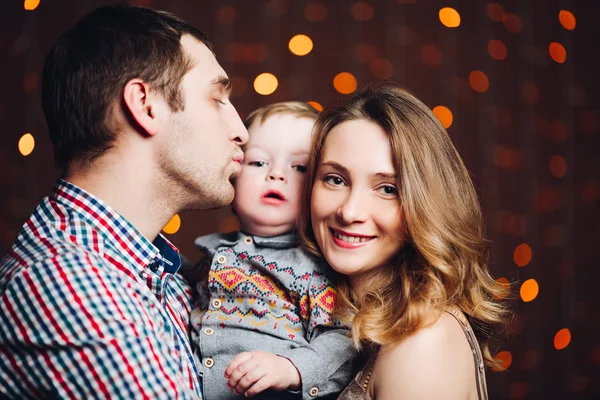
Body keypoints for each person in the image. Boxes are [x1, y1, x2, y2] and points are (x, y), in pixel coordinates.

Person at [0, 5, 248, 399]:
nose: (241, 131)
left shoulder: (161, 272)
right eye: (217, 98)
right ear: (146, 105)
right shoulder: (68, 283)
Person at [298, 83, 510, 399]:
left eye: (387, 189)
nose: (350, 211)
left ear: (427, 204)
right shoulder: (331, 319)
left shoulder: (422, 340)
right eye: (335, 179)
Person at [191, 102, 355, 399]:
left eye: (300, 168)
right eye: (258, 163)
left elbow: (344, 339)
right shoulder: (213, 254)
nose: (277, 174)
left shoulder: (312, 268)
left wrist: (291, 369)